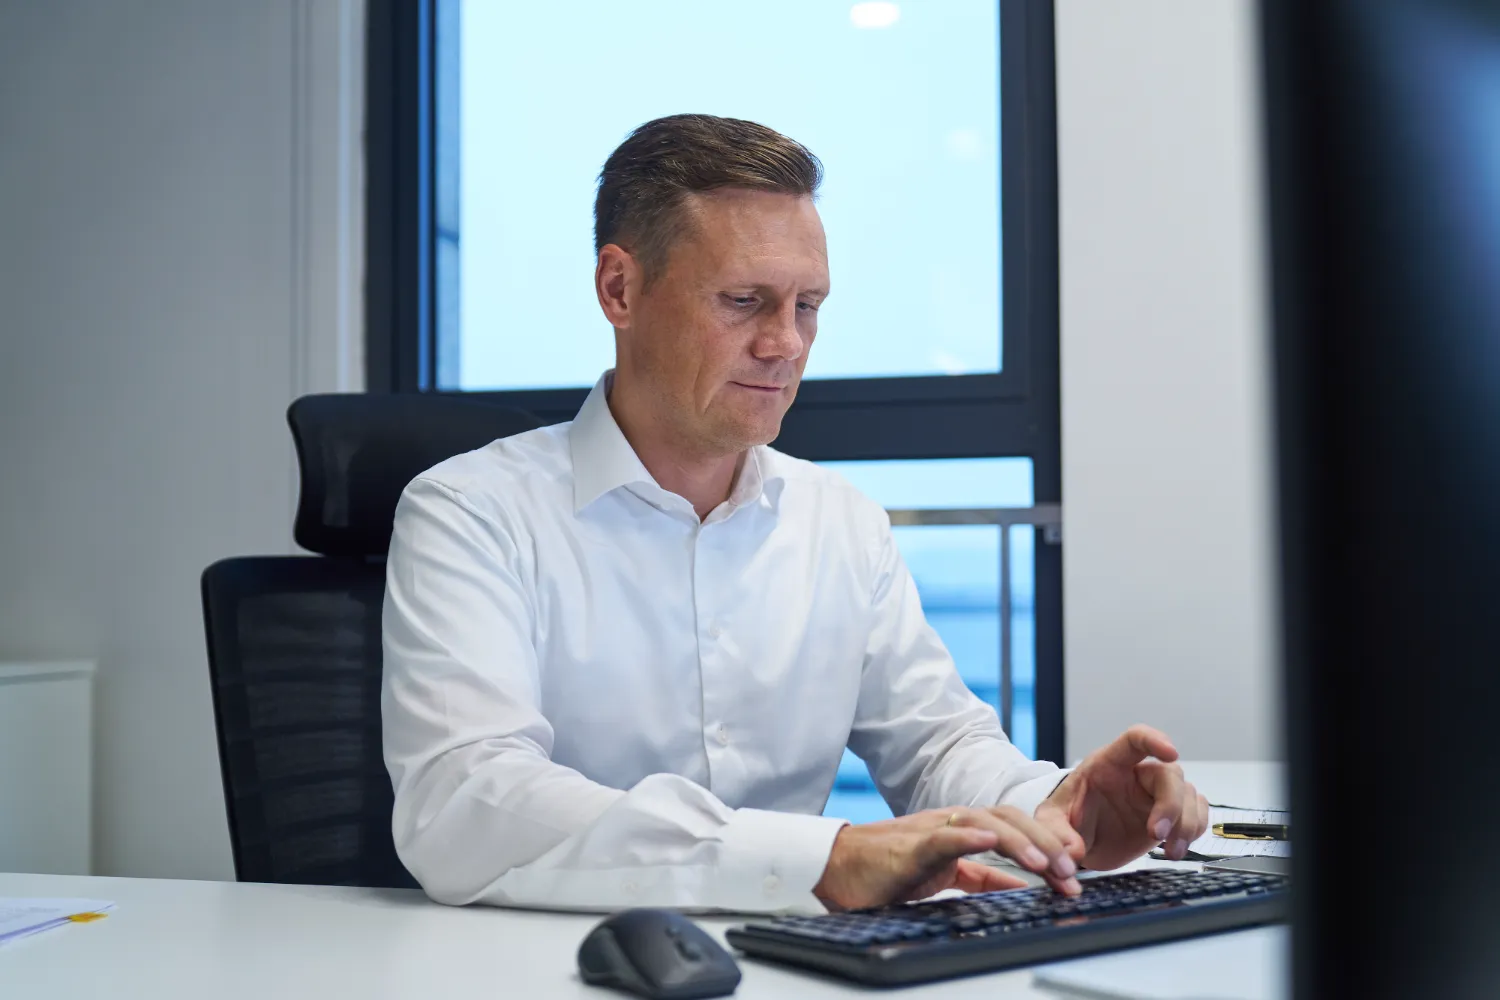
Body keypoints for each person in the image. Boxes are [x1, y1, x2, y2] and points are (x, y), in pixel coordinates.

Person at [382, 114, 1209, 914]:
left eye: (807, 305)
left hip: (795, 969)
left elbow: (939, 744)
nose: (786, 344)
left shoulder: (840, 522)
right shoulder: (470, 514)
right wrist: (822, 859)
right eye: (744, 301)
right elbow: (465, 801)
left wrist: (1057, 808)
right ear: (619, 288)